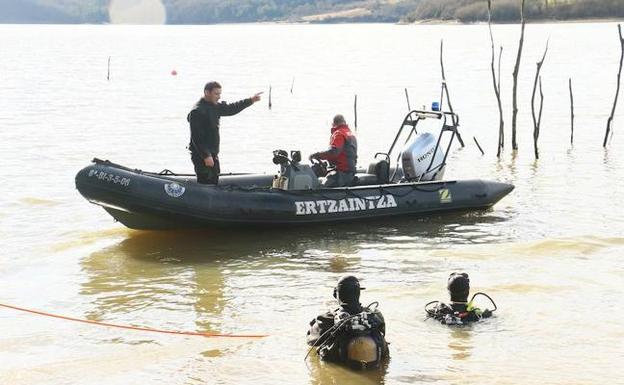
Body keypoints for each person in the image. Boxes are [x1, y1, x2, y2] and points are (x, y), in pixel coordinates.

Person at [306, 276, 388, 369]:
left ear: (336, 294)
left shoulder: (326, 319)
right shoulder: (375, 315)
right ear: (358, 293)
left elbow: (311, 340)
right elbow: (383, 334)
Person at [187, 81, 262, 184]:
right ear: (207, 92)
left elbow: (231, 109)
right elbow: (196, 137)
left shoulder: (215, 106)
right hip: (201, 155)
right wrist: (206, 156)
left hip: (213, 153)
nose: (219, 97)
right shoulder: (197, 111)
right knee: (205, 182)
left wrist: (250, 100)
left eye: (220, 94)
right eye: (216, 94)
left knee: (214, 180)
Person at [426, 272, 494, 325]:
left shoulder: (439, 310)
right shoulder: (475, 315)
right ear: (468, 291)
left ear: (448, 291)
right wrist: (487, 315)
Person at [308, 114, 358, 187]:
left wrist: (316, 155)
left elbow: (333, 152)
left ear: (333, 124)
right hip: (349, 171)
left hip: (342, 173)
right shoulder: (350, 133)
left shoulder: (339, 133)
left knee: (320, 186)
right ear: (344, 122)